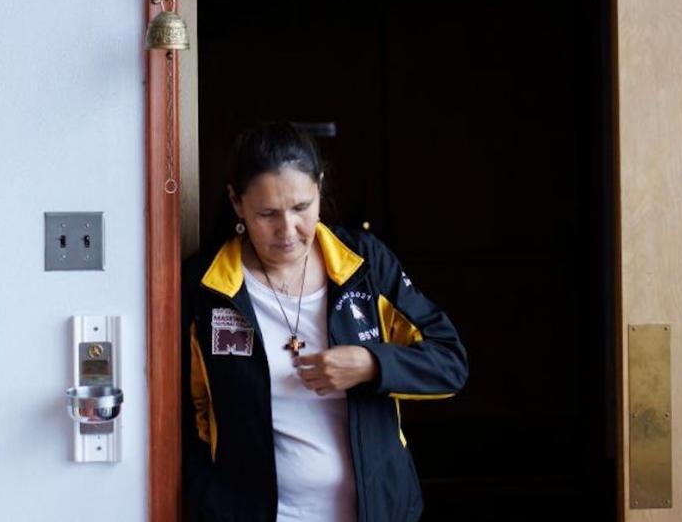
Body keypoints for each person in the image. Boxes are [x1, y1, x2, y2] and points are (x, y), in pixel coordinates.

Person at [183, 122, 468, 522]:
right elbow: (184, 415)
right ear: (236, 202)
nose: (288, 230)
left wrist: (371, 365)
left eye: (301, 208)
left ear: (319, 188)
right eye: (267, 214)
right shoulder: (207, 288)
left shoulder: (363, 265)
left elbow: (449, 363)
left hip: (377, 511)